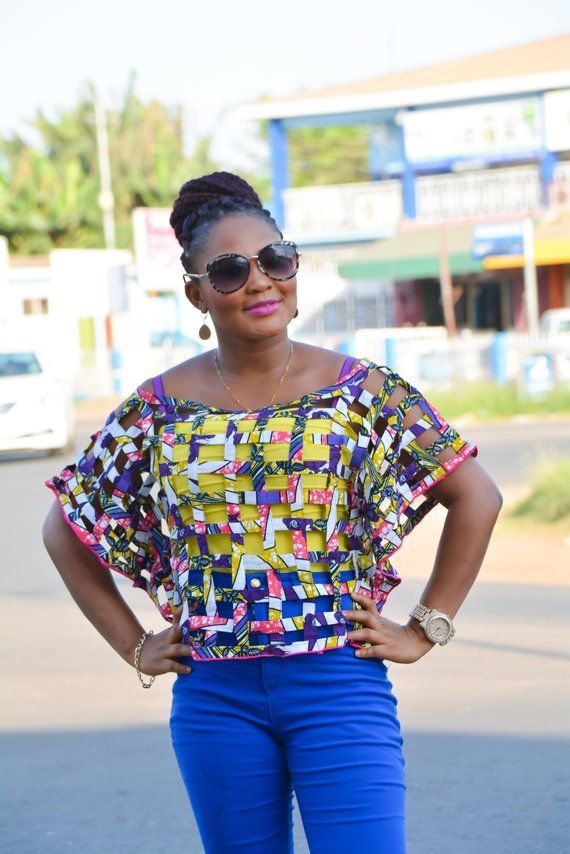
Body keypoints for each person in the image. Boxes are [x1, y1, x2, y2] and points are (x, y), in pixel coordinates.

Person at [42, 171, 503, 854]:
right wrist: (133, 644)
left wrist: (424, 628)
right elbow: (65, 527)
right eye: (230, 271)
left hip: (339, 685)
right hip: (214, 698)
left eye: (275, 260)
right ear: (197, 293)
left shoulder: (362, 392)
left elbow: (476, 496)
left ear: (293, 268)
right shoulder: (155, 410)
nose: (259, 282)